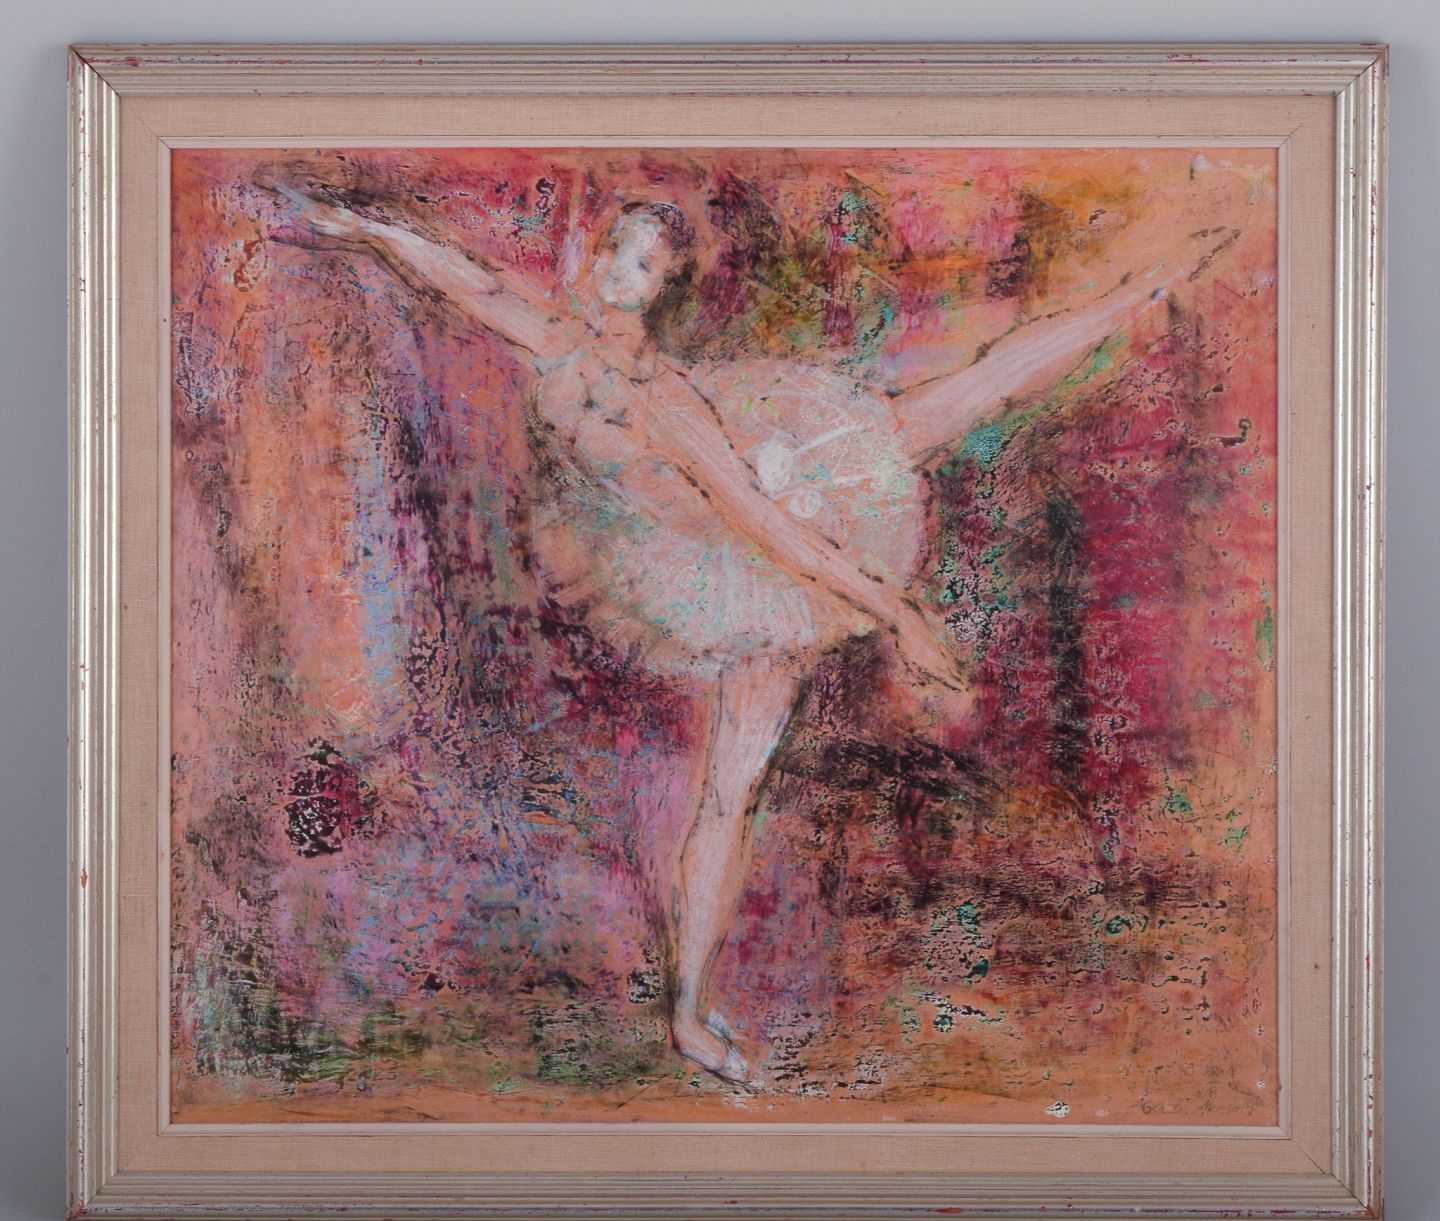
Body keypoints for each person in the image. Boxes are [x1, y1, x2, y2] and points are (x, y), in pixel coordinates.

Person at [259, 171, 1211, 1084]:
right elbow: (466, 279)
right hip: (699, 548)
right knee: (932, 419)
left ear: (663, 289)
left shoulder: (666, 406)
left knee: (948, 410)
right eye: (613, 252)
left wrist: (899, 616)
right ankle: (685, 1015)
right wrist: (361, 228)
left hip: (773, 546)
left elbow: (767, 528)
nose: (613, 273)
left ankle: (1140, 291)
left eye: (639, 265)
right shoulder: (557, 341)